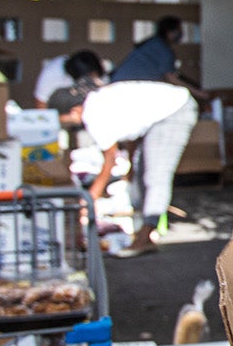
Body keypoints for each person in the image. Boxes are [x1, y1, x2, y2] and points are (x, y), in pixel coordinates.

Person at [52, 75, 198, 258]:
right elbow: (132, 130)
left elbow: (110, 160)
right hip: (166, 111)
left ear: (74, 111)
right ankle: (143, 230)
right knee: (143, 172)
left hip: (175, 111)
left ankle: (145, 237)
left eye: (64, 119)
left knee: (156, 175)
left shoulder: (93, 115)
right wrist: (130, 168)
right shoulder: (98, 100)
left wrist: (91, 198)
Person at [110, 15, 197, 88]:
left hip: (120, 84)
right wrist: (199, 93)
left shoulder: (152, 44)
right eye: (179, 30)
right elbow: (171, 78)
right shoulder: (164, 50)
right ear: (170, 32)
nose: (181, 33)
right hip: (130, 87)